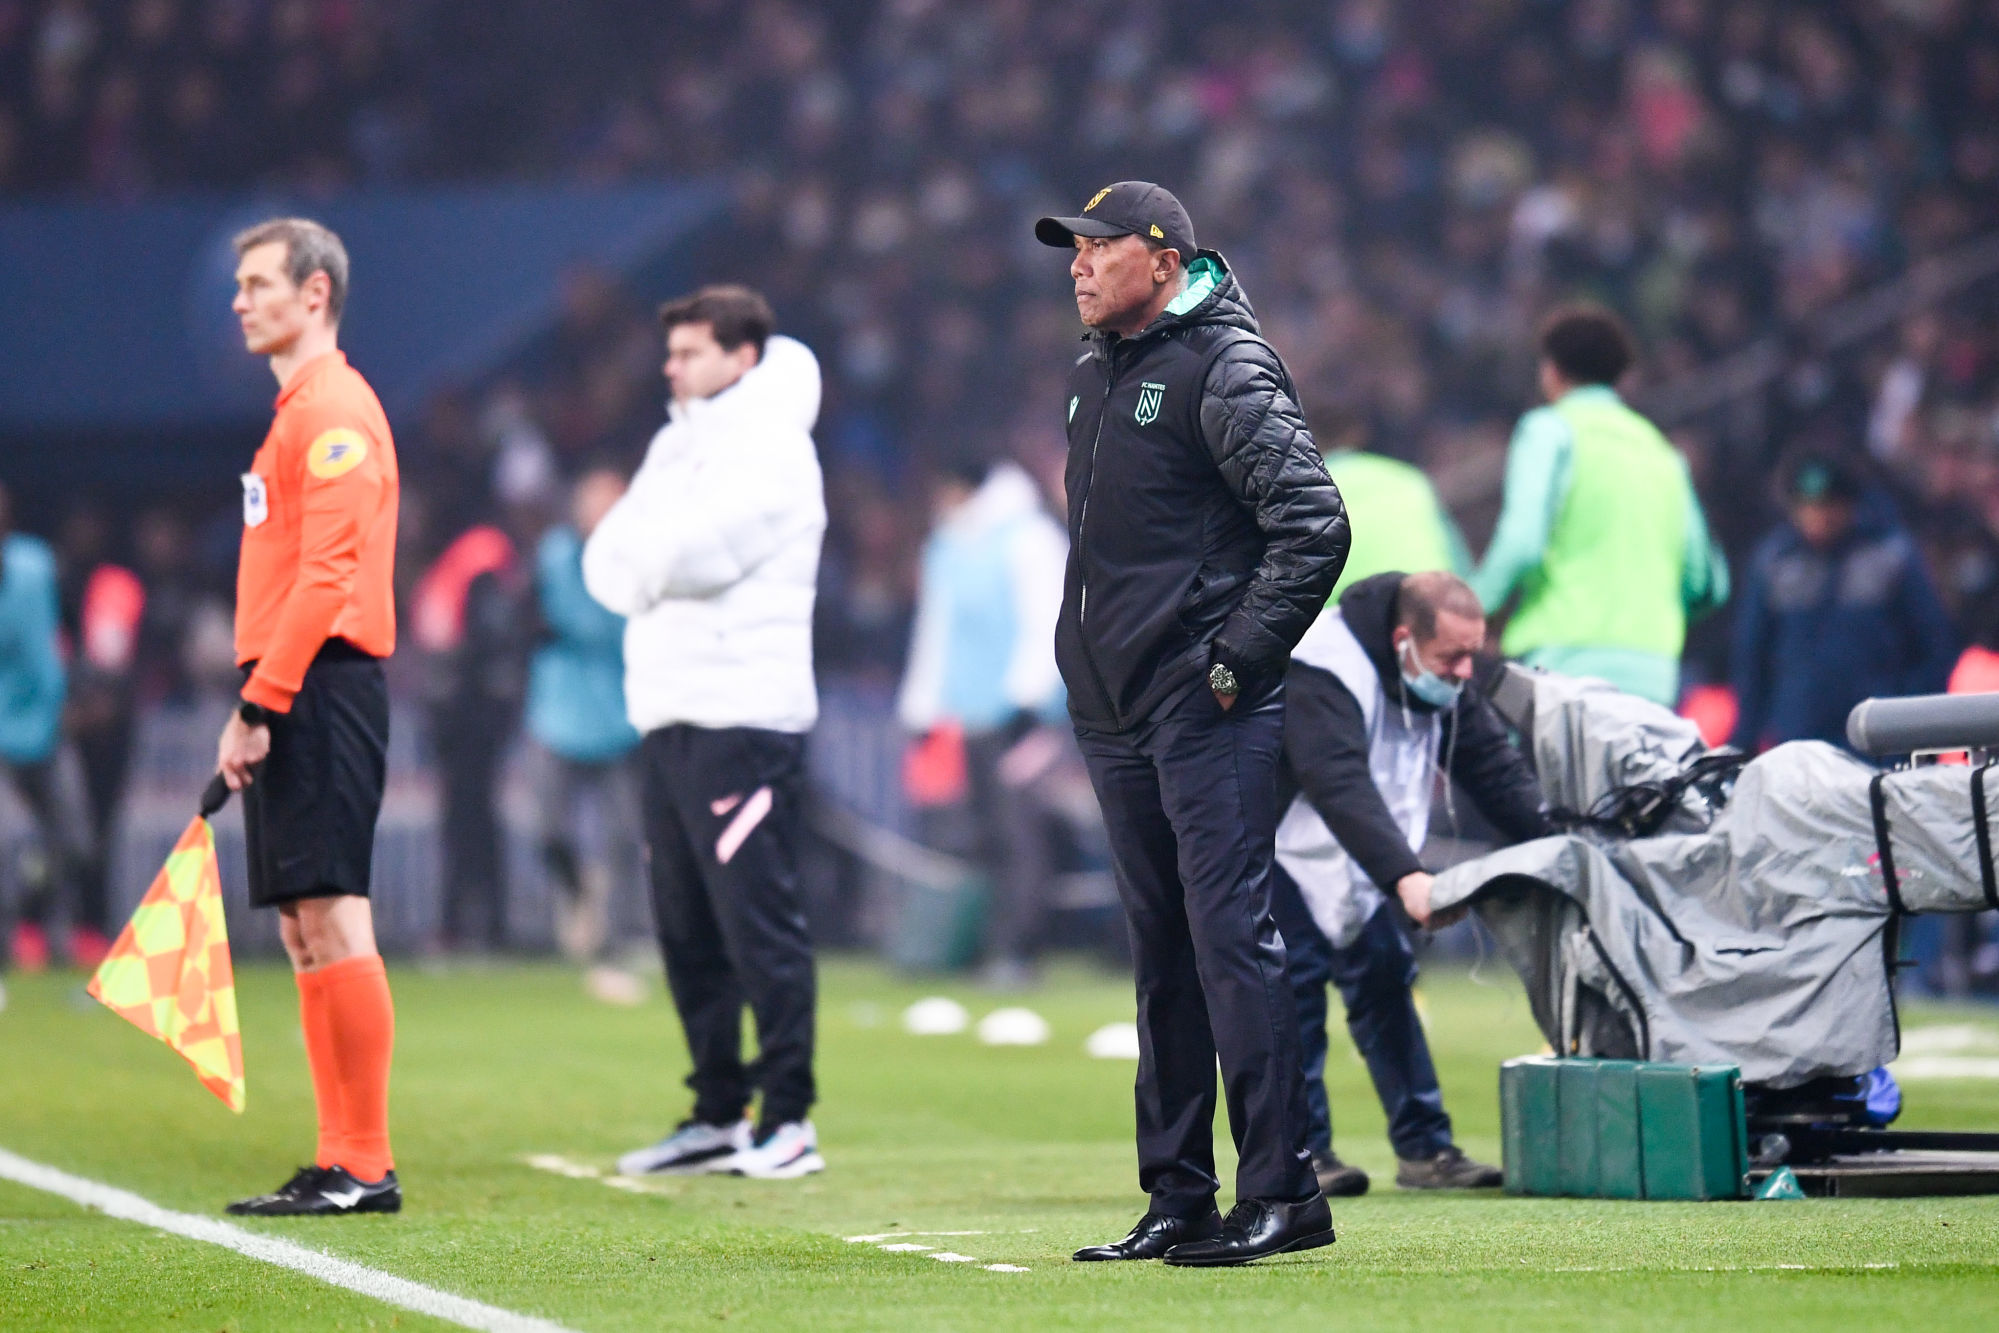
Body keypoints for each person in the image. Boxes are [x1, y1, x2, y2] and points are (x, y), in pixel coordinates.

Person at [1035, 182, 1349, 1267]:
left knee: (1228, 941)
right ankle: (1177, 1197)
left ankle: (1284, 1192)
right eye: (1072, 250)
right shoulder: (1095, 376)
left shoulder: (1225, 363)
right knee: (1162, 951)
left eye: (1098, 246)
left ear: (1163, 258)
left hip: (1201, 702)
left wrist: (1232, 661)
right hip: (1115, 706)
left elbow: (1313, 524)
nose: (1078, 264)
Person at [584, 285, 828, 1180]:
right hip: (668, 710)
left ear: (742, 355)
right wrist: (650, 555)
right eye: (672, 351)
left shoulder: (775, 446)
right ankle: (718, 1111)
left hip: (744, 715)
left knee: (757, 922)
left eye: (689, 352)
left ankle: (789, 1118)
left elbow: (685, 554)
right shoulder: (675, 444)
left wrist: (648, 554)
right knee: (684, 926)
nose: (671, 367)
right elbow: (604, 557)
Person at [215, 218, 403, 1217]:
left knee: (331, 913)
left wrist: (259, 703)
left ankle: (364, 1164)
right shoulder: (298, 413)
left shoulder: (332, 409)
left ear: (315, 292)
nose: (240, 301)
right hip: (297, 683)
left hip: (319, 685)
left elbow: (328, 578)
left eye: (258, 284)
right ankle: (341, 1159)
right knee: (303, 926)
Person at [1269, 571, 1550, 1198]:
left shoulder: (1442, 676)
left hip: (1370, 862)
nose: (1464, 672)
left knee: (1387, 986)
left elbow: (1493, 769)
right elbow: (1337, 784)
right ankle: (1301, 1157)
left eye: (1472, 654)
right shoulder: (1321, 663)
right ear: (1404, 640)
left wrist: (1558, 841)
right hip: (1285, 849)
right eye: (1453, 657)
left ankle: (1427, 1152)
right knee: (1292, 998)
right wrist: (1407, 877)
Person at [1472, 305, 1729, 706]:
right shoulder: (1663, 454)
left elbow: (1521, 542)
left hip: (1562, 664)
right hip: (1653, 673)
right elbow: (1707, 583)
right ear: (1619, 375)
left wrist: (1469, 610)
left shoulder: (1549, 429)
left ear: (1551, 371)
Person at [896, 454, 1069, 986]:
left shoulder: (1028, 538)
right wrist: (921, 705)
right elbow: (936, 630)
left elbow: (1048, 618)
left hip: (1019, 716)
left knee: (1019, 832)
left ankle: (1020, 948)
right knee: (983, 834)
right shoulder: (948, 543)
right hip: (965, 715)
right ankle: (987, 945)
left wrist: (1028, 700)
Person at [1730, 448, 1959, 750]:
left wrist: (1910, 722)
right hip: (1797, 737)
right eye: (1808, 507)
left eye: (1828, 506)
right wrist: (1745, 739)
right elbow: (1752, 657)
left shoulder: (1889, 556)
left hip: (1876, 738)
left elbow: (1933, 646)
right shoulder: (1776, 562)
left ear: (1850, 504)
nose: (1818, 517)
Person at [525, 466, 645, 999]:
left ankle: (609, 943)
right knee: (548, 829)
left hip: (619, 717)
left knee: (624, 837)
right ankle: (578, 891)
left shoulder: (638, 558)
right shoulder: (558, 553)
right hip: (558, 714)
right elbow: (585, 618)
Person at [411, 519, 526, 952]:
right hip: (465, 717)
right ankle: (477, 924)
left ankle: (469, 925)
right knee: (470, 822)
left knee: (466, 823)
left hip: (466, 718)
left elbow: (478, 644)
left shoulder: (472, 565)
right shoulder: (472, 564)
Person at [0, 483, 97, 973]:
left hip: (49, 729)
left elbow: (62, 630)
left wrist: (75, 693)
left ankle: (58, 934)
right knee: (10, 841)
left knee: (74, 841)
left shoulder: (37, 564)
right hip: (2, 738)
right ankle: (7, 938)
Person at [1314, 408, 1470, 596]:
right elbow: (1457, 559)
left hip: (1351, 605)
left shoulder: (1302, 490)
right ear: (1358, 434)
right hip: (1431, 598)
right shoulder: (1408, 477)